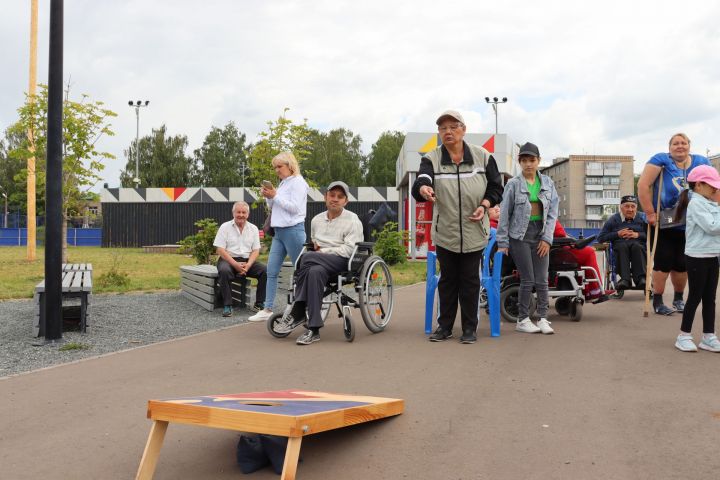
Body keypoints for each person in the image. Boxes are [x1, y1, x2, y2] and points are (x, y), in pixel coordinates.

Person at [411, 110, 503, 344]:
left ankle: (469, 329)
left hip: (475, 231)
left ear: (464, 129)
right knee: (448, 281)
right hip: (445, 232)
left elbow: (496, 187)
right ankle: (445, 327)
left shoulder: (483, 157)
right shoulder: (431, 158)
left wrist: (485, 204)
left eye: (453, 127)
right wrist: (423, 188)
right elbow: (422, 179)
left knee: (470, 281)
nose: (448, 132)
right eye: (443, 128)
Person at [275, 181, 364, 345]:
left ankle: (299, 309)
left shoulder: (353, 220)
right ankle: (314, 329)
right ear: (325, 197)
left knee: (307, 258)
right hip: (320, 263)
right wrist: (318, 251)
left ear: (346, 201)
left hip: (342, 261)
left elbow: (350, 250)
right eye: (332, 195)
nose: (335, 199)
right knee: (314, 271)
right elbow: (315, 243)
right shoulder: (316, 220)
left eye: (340, 196)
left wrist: (323, 252)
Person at [637, 133, 711, 315]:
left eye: (683, 143)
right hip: (665, 221)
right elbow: (643, 184)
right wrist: (649, 212)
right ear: (669, 147)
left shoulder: (701, 161)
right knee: (663, 261)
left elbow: (712, 185)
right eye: (676, 143)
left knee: (682, 263)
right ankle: (658, 301)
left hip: (691, 222)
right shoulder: (661, 160)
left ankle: (679, 298)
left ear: (689, 145)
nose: (680, 146)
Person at [496, 142, 559, 335]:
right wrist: (502, 242)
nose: (529, 164)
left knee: (542, 279)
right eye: (524, 160)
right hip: (519, 236)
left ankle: (542, 318)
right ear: (520, 162)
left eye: (532, 160)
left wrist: (547, 239)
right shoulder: (513, 184)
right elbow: (505, 213)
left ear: (538, 161)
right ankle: (522, 319)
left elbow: (553, 213)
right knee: (528, 279)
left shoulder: (548, 183)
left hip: (540, 235)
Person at [251, 151, 310, 322]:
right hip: (279, 232)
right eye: (275, 167)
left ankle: (305, 306)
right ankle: (267, 308)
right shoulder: (284, 183)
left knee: (301, 271)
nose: (276, 170)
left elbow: (295, 208)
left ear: (290, 165)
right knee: (271, 271)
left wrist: (275, 196)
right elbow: (274, 208)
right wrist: (269, 197)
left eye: (279, 166)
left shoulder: (298, 182)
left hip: (293, 230)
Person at [671, 165, 720, 352]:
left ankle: (708, 336)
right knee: (695, 297)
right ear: (698, 185)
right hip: (697, 256)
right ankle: (683, 335)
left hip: (712, 255)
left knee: (710, 298)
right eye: (711, 185)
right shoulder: (696, 203)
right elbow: (712, 227)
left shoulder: (709, 202)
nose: (715, 189)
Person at [213, 201, 267, 318]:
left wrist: (248, 266)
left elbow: (256, 250)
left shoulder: (253, 228)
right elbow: (220, 250)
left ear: (248, 214)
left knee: (265, 270)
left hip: (248, 260)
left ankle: (259, 303)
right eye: (238, 212)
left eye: (244, 212)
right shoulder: (225, 227)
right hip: (228, 259)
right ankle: (228, 305)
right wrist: (236, 265)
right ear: (233, 213)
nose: (241, 215)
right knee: (224, 271)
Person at [597, 195, 648, 290]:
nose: (630, 209)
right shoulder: (613, 219)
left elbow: (652, 236)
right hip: (620, 245)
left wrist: (638, 235)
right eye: (627, 206)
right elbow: (600, 238)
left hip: (638, 245)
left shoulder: (643, 218)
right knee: (622, 247)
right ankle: (625, 279)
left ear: (636, 208)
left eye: (633, 206)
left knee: (637, 246)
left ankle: (641, 278)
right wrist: (617, 234)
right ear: (621, 207)